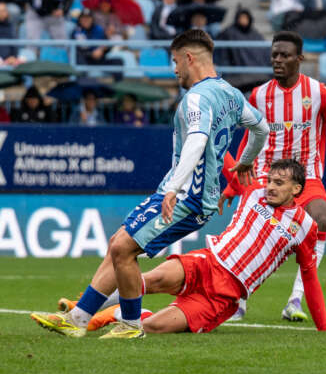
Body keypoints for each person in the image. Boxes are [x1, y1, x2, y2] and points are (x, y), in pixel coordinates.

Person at [29, 29, 269, 339]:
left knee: (123, 249)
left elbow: (197, 141)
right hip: (187, 193)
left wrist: (174, 188)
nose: (174, 70)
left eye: (175, 61)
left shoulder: (197, 97)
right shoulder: (231, 94)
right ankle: (78, 318)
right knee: (118, 244)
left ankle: (130, 326)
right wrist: (246, 160)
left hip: (187, 196)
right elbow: (261, 128)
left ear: (189, 58)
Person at [74, 159, 326, 335]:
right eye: (270, 181)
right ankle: (84, 308)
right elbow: (223, 158)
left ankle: (115, 313)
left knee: (153, 327)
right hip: (208, 262)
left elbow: (309, 276)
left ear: (296, 188)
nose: (271, 187)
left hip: (226, 295)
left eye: (279, 183)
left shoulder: (305, 227)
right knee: (148, 281)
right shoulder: (253, 191)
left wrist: (324, 327)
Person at [222, 31, 326, 322]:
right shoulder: (259, 95)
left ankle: (295, 300)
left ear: (299, 58)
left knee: (321, 217)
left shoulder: (320, 94)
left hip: (307, 177)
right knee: (249, 234)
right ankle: (237, 301)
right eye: (274, 55)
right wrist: (234, 184)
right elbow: (250, 139)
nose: (278, 60)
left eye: (285, 55)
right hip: (266, 174)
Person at [213, 7, 271, 91]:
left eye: (245, 18)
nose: (244, 20)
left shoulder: (255, 34)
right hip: (237, 77)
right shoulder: (229, 32)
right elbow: (222, 54)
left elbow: (265, 53)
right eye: (241, 17)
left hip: (259, 77)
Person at [72, 8, 122, 75]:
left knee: (118, 62)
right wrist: (91, 54)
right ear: (80, 20)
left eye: (88, 18)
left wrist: (108, 38)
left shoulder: (98, 29)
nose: (86, 20)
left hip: (99, 60)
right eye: (83, 18)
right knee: (80, 61)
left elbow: (108, 47)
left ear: (92, 19)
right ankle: (83, 80)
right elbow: (78, 50)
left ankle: (117, 82)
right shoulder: (77, 31)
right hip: (85, 59)